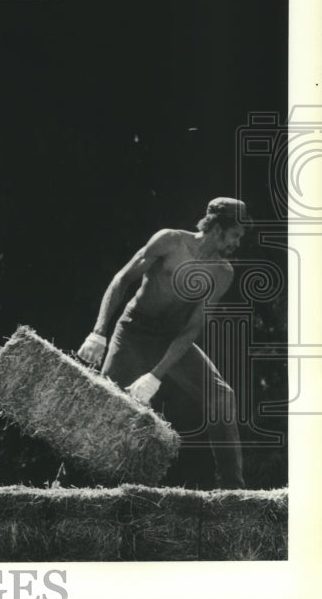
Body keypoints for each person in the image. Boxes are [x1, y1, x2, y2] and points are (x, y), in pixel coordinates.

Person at [77, 197, 248, 488]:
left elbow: (192, 328)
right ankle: (69, 487)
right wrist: (99, 332)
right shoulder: (170, 241)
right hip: (133, 331)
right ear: (218, 228)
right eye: (235, 235)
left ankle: (234, 493)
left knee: (222, 397)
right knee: (102, 408)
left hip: (172, 338)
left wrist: (156, 375)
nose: (237, 244)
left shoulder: (222, 272)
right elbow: (122, 280)